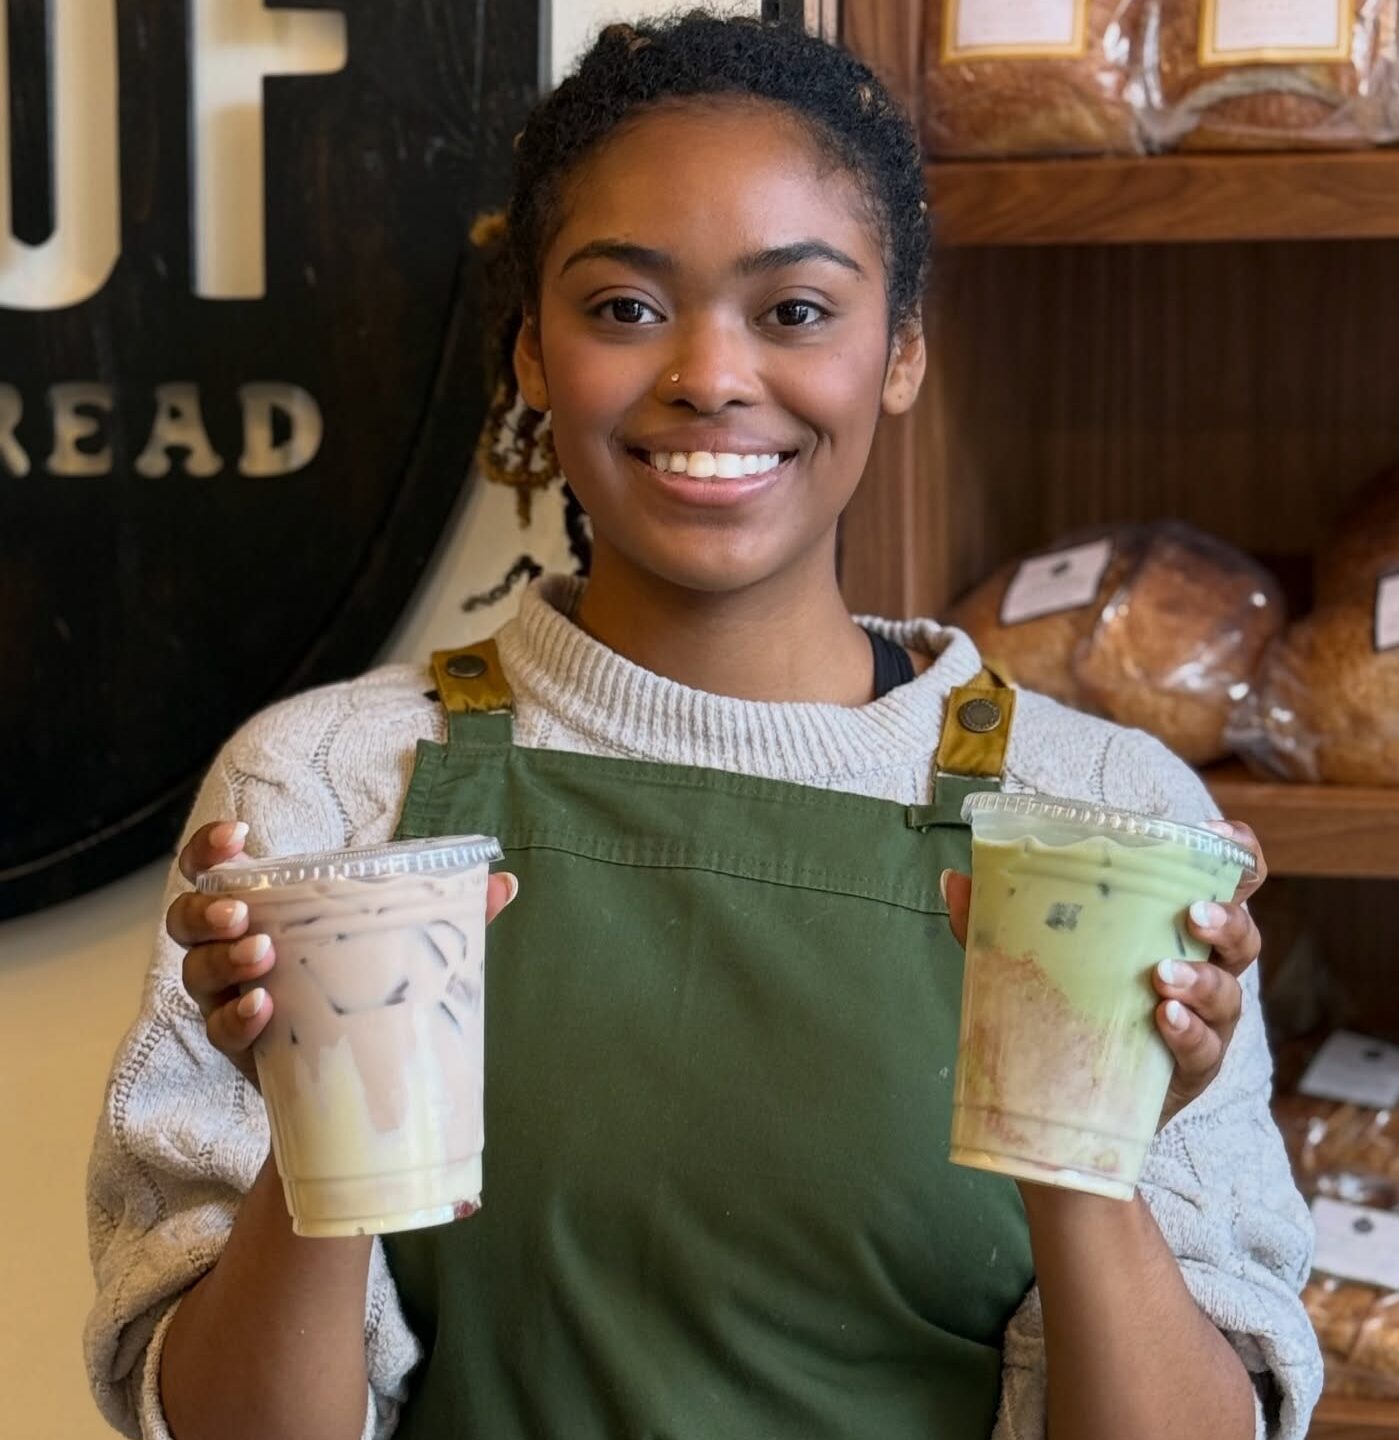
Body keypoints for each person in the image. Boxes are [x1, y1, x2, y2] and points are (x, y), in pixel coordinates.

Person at [85, 14, 1321, 1440]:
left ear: (900, 353)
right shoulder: (329, 785)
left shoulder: (1100, 805)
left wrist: (1095, 1139)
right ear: (532, 353)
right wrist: (324, 1132)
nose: (711, 376)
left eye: (795, 311)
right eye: (624, 308)